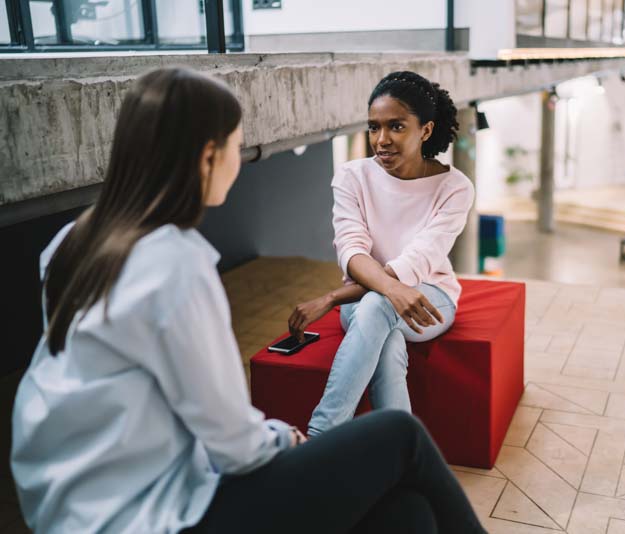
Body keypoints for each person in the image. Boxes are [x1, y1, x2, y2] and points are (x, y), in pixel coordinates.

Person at [11, 67, 485, 534]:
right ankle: (325, 432)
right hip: (155, 512)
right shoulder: (174, 263)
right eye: (237, 146)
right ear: (207, 157)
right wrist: (291, 441)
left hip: (71, 504)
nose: (239, 161)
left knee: (408, 516)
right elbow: (232, 441)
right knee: (400, 437)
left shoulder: (72, 241)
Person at [286, 71, 475, 437]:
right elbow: (352, 252)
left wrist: (331, 297)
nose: (382, 140)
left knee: (378, 306)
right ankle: (401, 456)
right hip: (371, 301)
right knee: (385, 340)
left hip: (429, 300)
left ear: (425, 129)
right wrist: (389, 290)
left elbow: (416, 263)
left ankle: (320, 438)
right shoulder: (352, 176)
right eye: (374, 127)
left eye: (397, 127)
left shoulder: (454, 188)